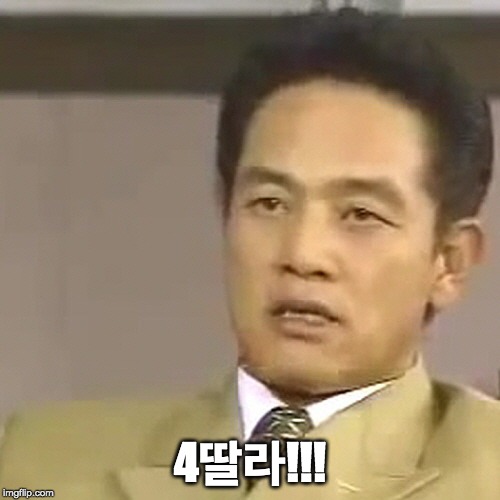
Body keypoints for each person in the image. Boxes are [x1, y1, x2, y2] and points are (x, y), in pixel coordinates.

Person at [1, 8, 499, 499]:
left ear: (450, 261)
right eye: (270, 203)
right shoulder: (40, 461)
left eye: (361, 214)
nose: (303, 254)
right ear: (226, 211)